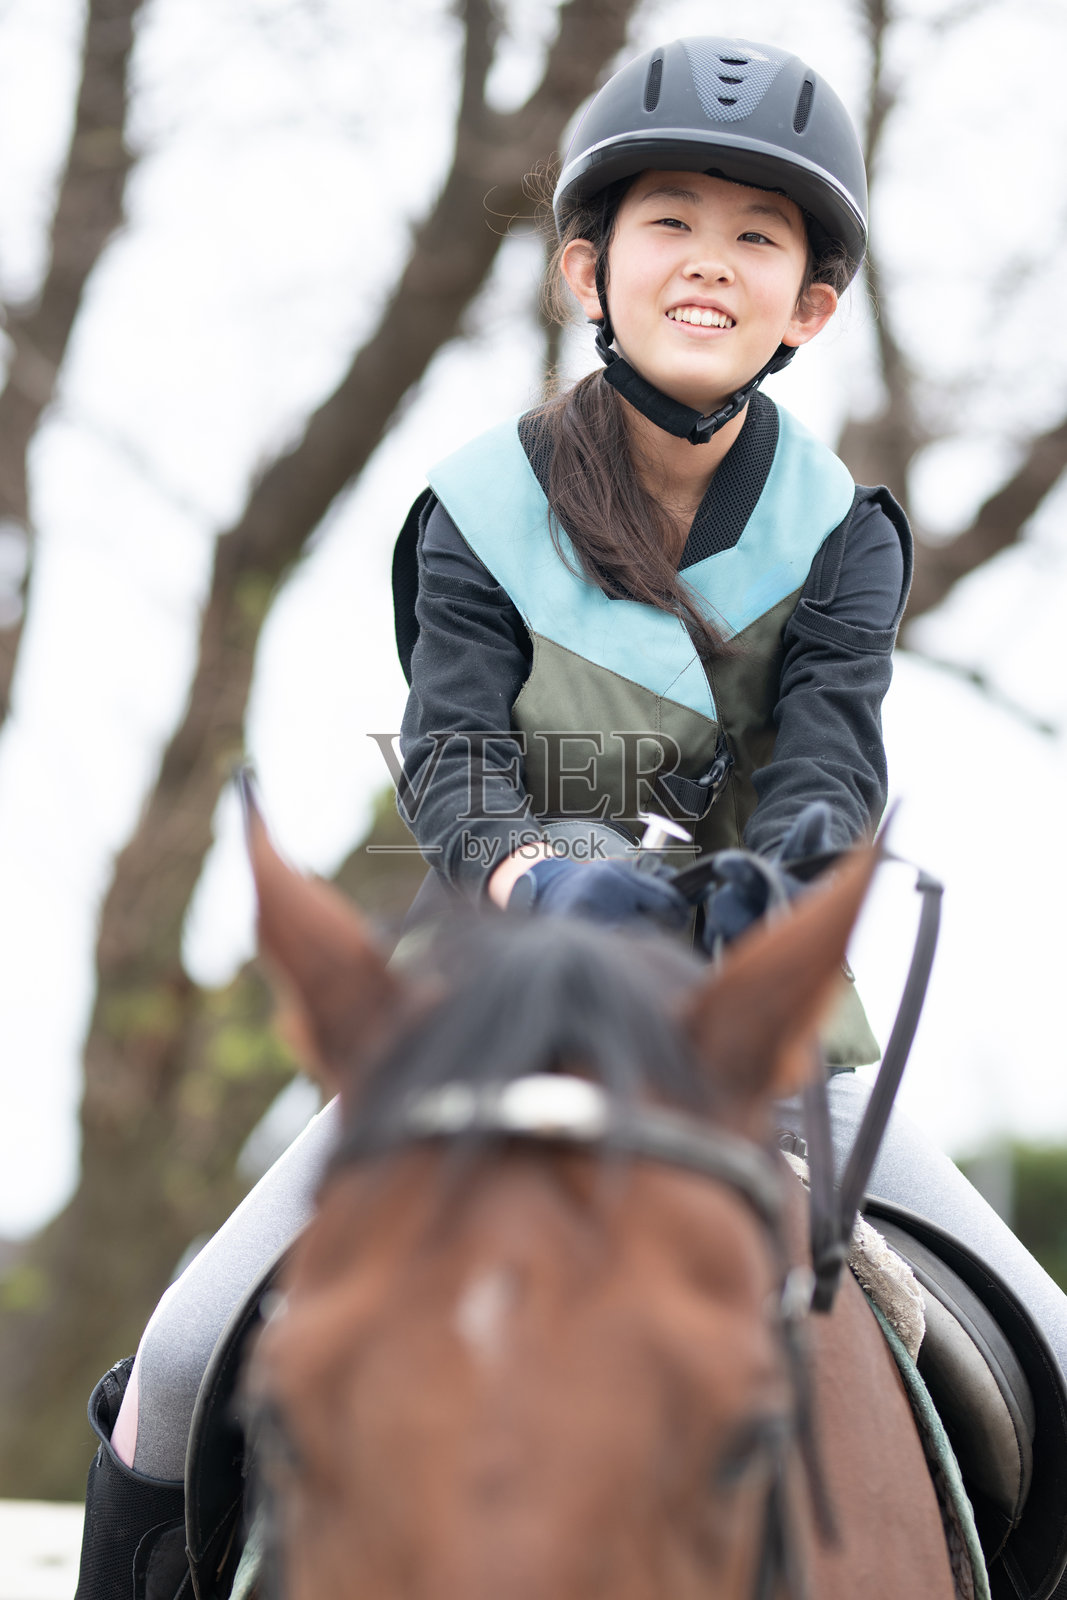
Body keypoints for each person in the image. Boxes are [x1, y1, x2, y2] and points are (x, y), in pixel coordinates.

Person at [73, 35, 1067, 1600]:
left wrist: (789, 886)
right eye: (670, 221)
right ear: (584, 269)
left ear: (810, 306)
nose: (709, 263)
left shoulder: (846, 531)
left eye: (758, 237)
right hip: (484, 1013)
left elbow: (831, 756)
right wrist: (545, 875)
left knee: (1049, 1350)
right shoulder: (476, 504)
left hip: (751, 1022)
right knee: (187, 1353)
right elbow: (455, 753)